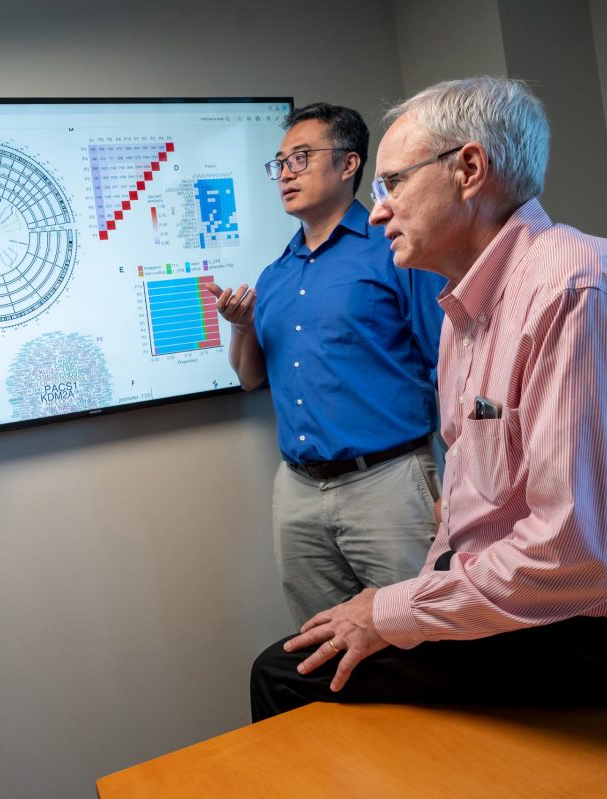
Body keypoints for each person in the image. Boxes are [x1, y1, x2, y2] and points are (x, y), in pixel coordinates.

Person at [250, 77, 607, 720]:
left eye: (393, 185)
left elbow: (584, 555)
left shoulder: (576, 294)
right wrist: (423, 592)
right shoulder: (467, 306)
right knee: (322, 652)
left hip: (597, 633)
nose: (378, 210)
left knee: (287, 675)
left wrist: (391, 610)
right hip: (534, 603)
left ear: (469, 169)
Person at [208, 103, 447, 625]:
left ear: (348, 165)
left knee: (419, 639)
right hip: (297, 490)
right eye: (279, 163)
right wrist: (242, 325)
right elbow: (250, 378)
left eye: (301, 157)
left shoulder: (396, 250)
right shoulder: (275, 275)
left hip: (389, 482)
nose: (286, 173)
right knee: (324, 647)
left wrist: (457, 486)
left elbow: (448, 367)